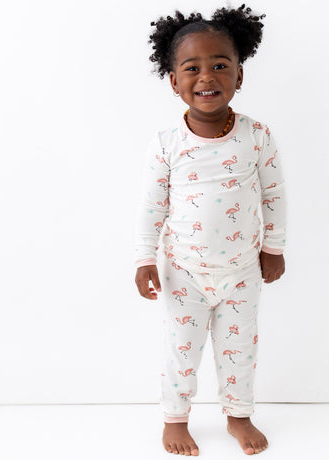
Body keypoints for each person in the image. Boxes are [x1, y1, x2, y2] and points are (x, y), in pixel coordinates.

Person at [134, 4, 287, 456]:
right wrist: (144, 258)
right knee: (181, 351)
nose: (207, 77)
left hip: (242, 271)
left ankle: (239, 415)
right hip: (184, 272)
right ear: (174, 81)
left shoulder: (257, 136)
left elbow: (274, 194)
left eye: (220, 65)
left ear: (239, 75)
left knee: (240, 348)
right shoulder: (167, 144)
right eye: (192, 68)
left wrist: (274, 247)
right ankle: (175, 419)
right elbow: (152, 206)